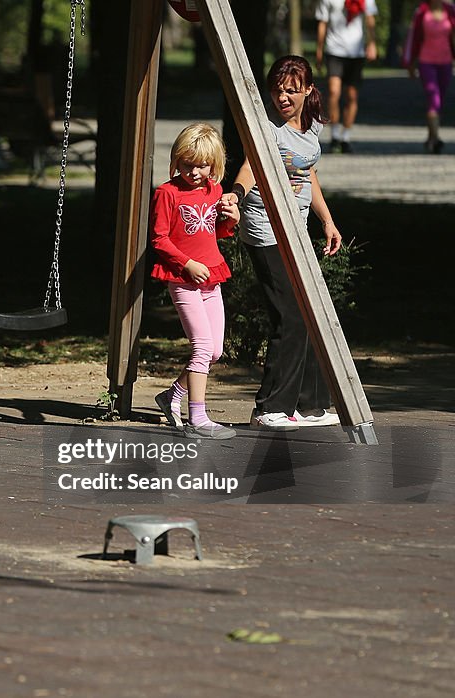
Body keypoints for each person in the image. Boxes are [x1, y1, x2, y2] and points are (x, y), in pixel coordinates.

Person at [221, 55, 344, 430]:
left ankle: (309, 404)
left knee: (309, 312)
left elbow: (308, 173)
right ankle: (269, 408)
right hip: (265, 228)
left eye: (291, 91)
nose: (283, 98)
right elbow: (249, 166)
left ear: (308, 90)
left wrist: (327, 221)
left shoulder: (312, 126)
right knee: (289, 314)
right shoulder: (267, 127)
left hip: (296, 228)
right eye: (277, 90)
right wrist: (235, 196)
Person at [151, 123, 240, 440]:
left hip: (211, 276)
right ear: (177, 160)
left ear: (214, 165)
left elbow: (216, 232)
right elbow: (159, 239)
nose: (193, 171)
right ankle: (197, 418)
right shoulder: (167, 193)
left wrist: (231, 218)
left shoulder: (214, 190)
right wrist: (186, 263)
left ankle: (172, 395)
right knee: (201, 346)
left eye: (201, 165)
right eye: (187, 164)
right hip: (183, 279)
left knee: (214, 351)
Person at [315, 0, 378, 153]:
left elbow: (370, 19)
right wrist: (319, 50)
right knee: (333, 92)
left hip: (356, 52)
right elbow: (323, 22)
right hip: (334, 50)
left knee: (352, 96)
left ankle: (346, 136)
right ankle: (335, 135)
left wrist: (372, 43)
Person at [403, 0, 455, 153]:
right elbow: (414, 38)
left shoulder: (450, 11)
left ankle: (430, 137)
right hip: (426, 62)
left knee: (439, 100)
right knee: (434, 98)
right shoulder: (421, 12)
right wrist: (411, 63)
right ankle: (436, 138)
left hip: (445, 62)